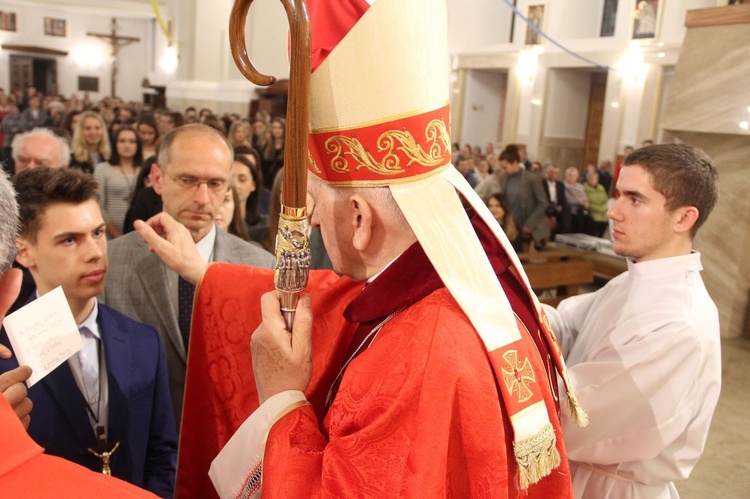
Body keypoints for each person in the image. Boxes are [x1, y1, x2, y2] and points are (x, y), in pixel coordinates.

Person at [173, 1, 580, 496]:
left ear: (361, 219)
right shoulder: (468, 286)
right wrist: (206, 273)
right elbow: (331, 295)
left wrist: (281, 397)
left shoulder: (419, 354)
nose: (315, 218)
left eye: (316, 202)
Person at [544, 143, 721, 498]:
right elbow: (566, 326)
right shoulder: (633, 279)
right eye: (617, 196)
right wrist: (504, 310)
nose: (614, 212)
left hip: (613, 488)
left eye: (635, 199)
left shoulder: (678, 322)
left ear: (684, 218)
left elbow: (581, 414)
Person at [0, 167, 177, 497]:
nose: (95, 252)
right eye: (70, 240)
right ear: (23, 251)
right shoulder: (5, 354)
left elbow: (162, 452)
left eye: (97, 233)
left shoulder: (143, 340)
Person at [101, 124, 275, 428]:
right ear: (157, 178)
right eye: (187, 180)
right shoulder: (112, 262)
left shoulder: (261, 266)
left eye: (216, 184)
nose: (203, 198)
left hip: (225, 445)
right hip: (137, 443)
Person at [94, 126, 143, 239]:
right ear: (115, 144)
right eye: (122, 141)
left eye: (132, 141)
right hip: (108, 233)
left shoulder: (144, 169)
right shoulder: (103, 169)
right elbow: (99, 206)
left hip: (139, 234)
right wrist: (117, 235)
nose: (127, 145)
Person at [499, 145, 549, 251]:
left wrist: (529, 224)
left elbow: (543, 202)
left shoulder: (531, 179)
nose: (503, 171)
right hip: (512, 225)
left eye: (505, 167)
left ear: (514, 163)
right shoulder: (505, 178)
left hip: (529, 226)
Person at [541, 163, 568, 236]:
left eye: (556, 173)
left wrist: (561, 206)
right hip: (547, 207)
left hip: (557, 207)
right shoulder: (542, 184)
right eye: (552, 172)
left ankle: (564, 234)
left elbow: (563, 199)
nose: (554, 175)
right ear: (548, 173)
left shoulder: (560, 184)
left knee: (566, 208)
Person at [583, 170, 609, 237]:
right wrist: (598, 209)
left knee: (605, 222)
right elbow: (586, 202)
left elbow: (606, 200)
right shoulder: (584, 188)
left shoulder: (601, 188)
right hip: (592, 212)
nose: (594, 180)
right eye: (592, 178)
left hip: (603, 212)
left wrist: (604, 208)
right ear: (588, 179)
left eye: (595, 178)